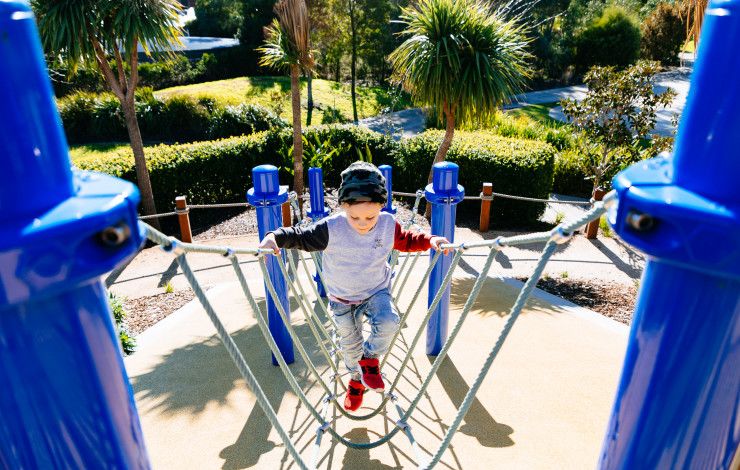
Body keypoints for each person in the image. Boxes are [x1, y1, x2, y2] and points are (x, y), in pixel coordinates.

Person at [259, 161, 450, 411]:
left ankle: (370, 361)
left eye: (370, 216)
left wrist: (431, 239)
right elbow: (300, 236)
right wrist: (275, 237)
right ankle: (356, 382)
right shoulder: (331, 228)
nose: (362, 222)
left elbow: (407, 240)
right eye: (354, 216)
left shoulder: (387, 224)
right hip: (341, 299)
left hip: (376, 291)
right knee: (349, 347)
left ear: (382, 206)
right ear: (344, 207)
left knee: (390, 321)